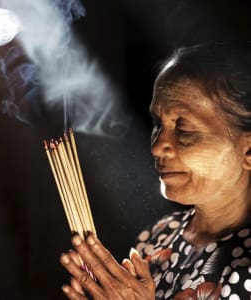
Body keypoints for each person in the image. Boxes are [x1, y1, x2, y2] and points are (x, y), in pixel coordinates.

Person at [59, 42, 251, 299]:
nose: (158, 146)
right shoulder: (158, 236)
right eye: (158, 124)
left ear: (247, 150)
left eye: (184, 130)